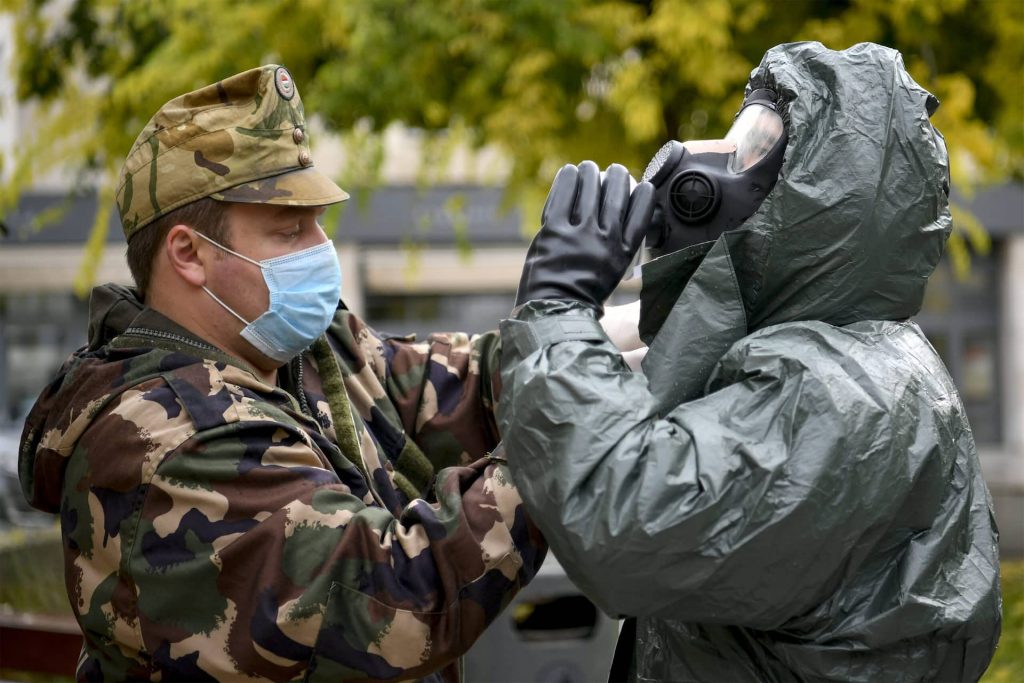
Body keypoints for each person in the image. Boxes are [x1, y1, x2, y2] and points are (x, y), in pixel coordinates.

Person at [18, 64, 547, 682]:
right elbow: (395, 598)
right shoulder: (174, 438)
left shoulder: (300, 356)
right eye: (290, 229)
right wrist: (562, 433)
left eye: (318, 222)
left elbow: (462, 385)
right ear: (189, 254)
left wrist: (579, 326)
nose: (320, 248)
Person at [498, 42, 1002, 682]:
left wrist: (556, 310)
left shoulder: (836, 393)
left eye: (758, 147)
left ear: (829, 198)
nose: (716, 161)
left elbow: (628, 527)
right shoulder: (839, 353)